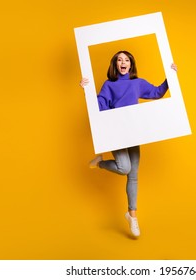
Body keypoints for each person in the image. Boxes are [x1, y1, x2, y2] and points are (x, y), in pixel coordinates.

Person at [80, 50, 177, 238]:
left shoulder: (137, 83)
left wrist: (170, 76)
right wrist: (86, 90)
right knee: (124, 168)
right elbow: (99, 106)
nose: (123, 62)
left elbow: (157, 92)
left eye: (126, 60)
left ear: (131, 64)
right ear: (115, 65)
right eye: (119, 60)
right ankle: (100, 163)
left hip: (134, 133)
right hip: (116, 133)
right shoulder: (109, 85)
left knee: (133, 175)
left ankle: (132, 216)